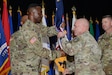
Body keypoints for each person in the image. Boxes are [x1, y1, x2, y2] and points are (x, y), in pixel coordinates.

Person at [9, 3, 66, 75]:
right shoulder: (28, 32)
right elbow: (41, 52)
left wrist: (59, 27)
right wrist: (60, 53)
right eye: (39, 13)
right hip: (25, 71)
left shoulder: (34, 27)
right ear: (32, 14)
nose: (42, 15)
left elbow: (47, 31)